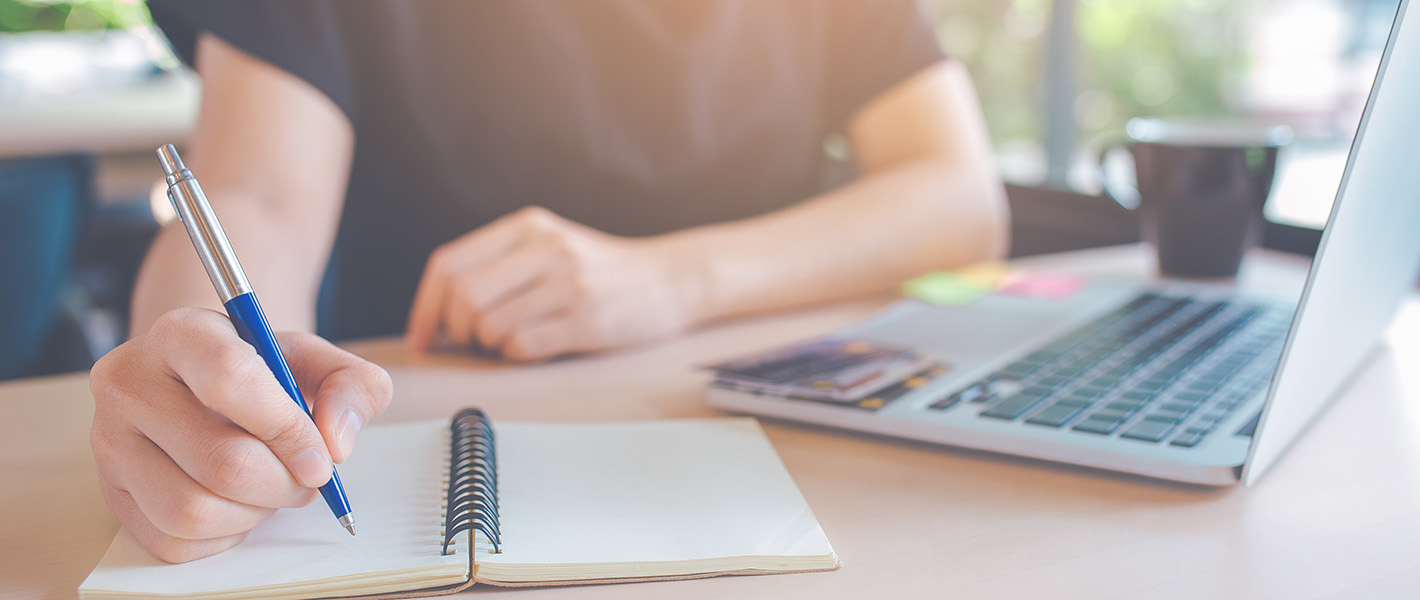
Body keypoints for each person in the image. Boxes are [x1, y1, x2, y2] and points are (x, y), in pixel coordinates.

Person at [90, 1, 1007, 562]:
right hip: (426, 424)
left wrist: (673, 278)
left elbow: (961, 197)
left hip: (777, 444)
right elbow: (258, 195)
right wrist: (200, 371)